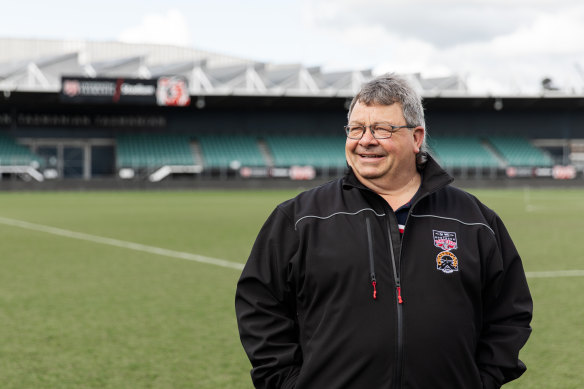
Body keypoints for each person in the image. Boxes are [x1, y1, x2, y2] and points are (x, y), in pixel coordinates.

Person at [235, 73, 533, 389]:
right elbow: (260, 306)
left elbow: (509, 313)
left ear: (417, 137)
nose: (366, 140)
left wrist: (480, 381)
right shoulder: (300, 218)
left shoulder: (474, 221)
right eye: (356, 129)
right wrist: (289, 383)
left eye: (381, 129)